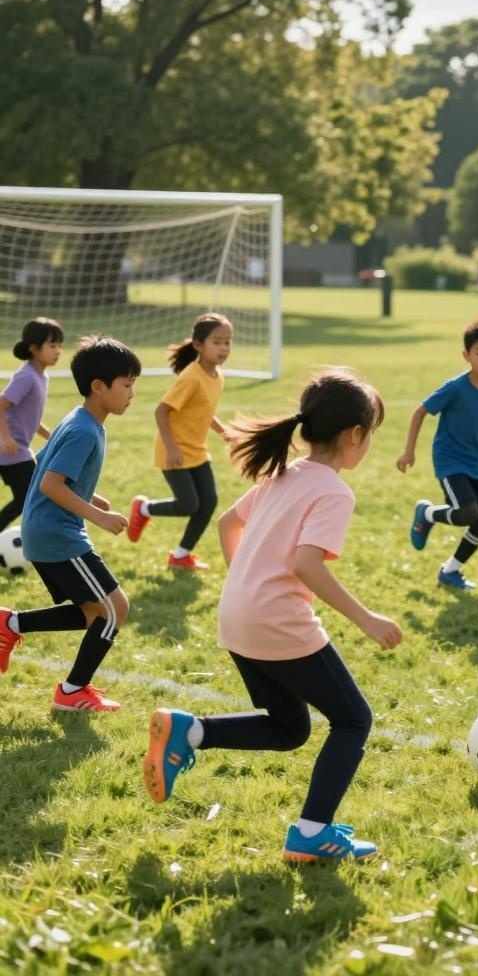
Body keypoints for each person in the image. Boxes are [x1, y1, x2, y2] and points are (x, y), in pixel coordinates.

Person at [143, 369, 402, 863]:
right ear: (354, 436)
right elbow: (306, 563)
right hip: (277, 622)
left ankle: (190, 732)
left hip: (236, 616)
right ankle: (311, 833)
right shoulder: (333, 491)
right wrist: (366, 618)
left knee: (289, 729)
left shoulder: (281, 472)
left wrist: (246, 580)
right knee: (353, 720)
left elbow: (226, 524)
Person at [0, 337, 140, 711]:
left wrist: (90, 497)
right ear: (99, 386)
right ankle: (73, 690)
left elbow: (44, 465)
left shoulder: (78, 419)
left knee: (93, 612)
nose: (133, 393)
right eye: (127, 385)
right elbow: (49, 483)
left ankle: (10, 624)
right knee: (114, 610)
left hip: (46, 532)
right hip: (58, 535)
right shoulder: (83, 430)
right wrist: (99, 516)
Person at [397, 318, 478, 590]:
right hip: (450, 460)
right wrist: (409, 451)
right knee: (467, 512)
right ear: (466, 355)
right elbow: (420, 411)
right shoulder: (455, 387)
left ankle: (450, 571)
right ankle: (428, 514)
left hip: (477, 462)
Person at [127, 313, 233, 569]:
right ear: (198, 344)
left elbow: (204, 411)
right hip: (172, 450)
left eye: (228, 342)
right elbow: (161, 411)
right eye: (217, 342)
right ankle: (143, 509)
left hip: (197, 450)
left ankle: (180, 555)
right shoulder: (191, 377)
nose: (224, 348)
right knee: (188, 504)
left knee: (208, 503)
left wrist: (222, 431)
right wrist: (173, 448)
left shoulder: (217, 376)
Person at [0, 318, 62, 530]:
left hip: (17, 450)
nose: (58, 350)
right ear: (34, 349)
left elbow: (29, 416)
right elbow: (1, 405)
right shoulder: (26, 376)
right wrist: (6, 438)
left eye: (59, 345)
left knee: (27, 498)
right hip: (10, 450)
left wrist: (51, 436)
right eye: (52, 345)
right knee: (31, 497)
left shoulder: (41, 376)